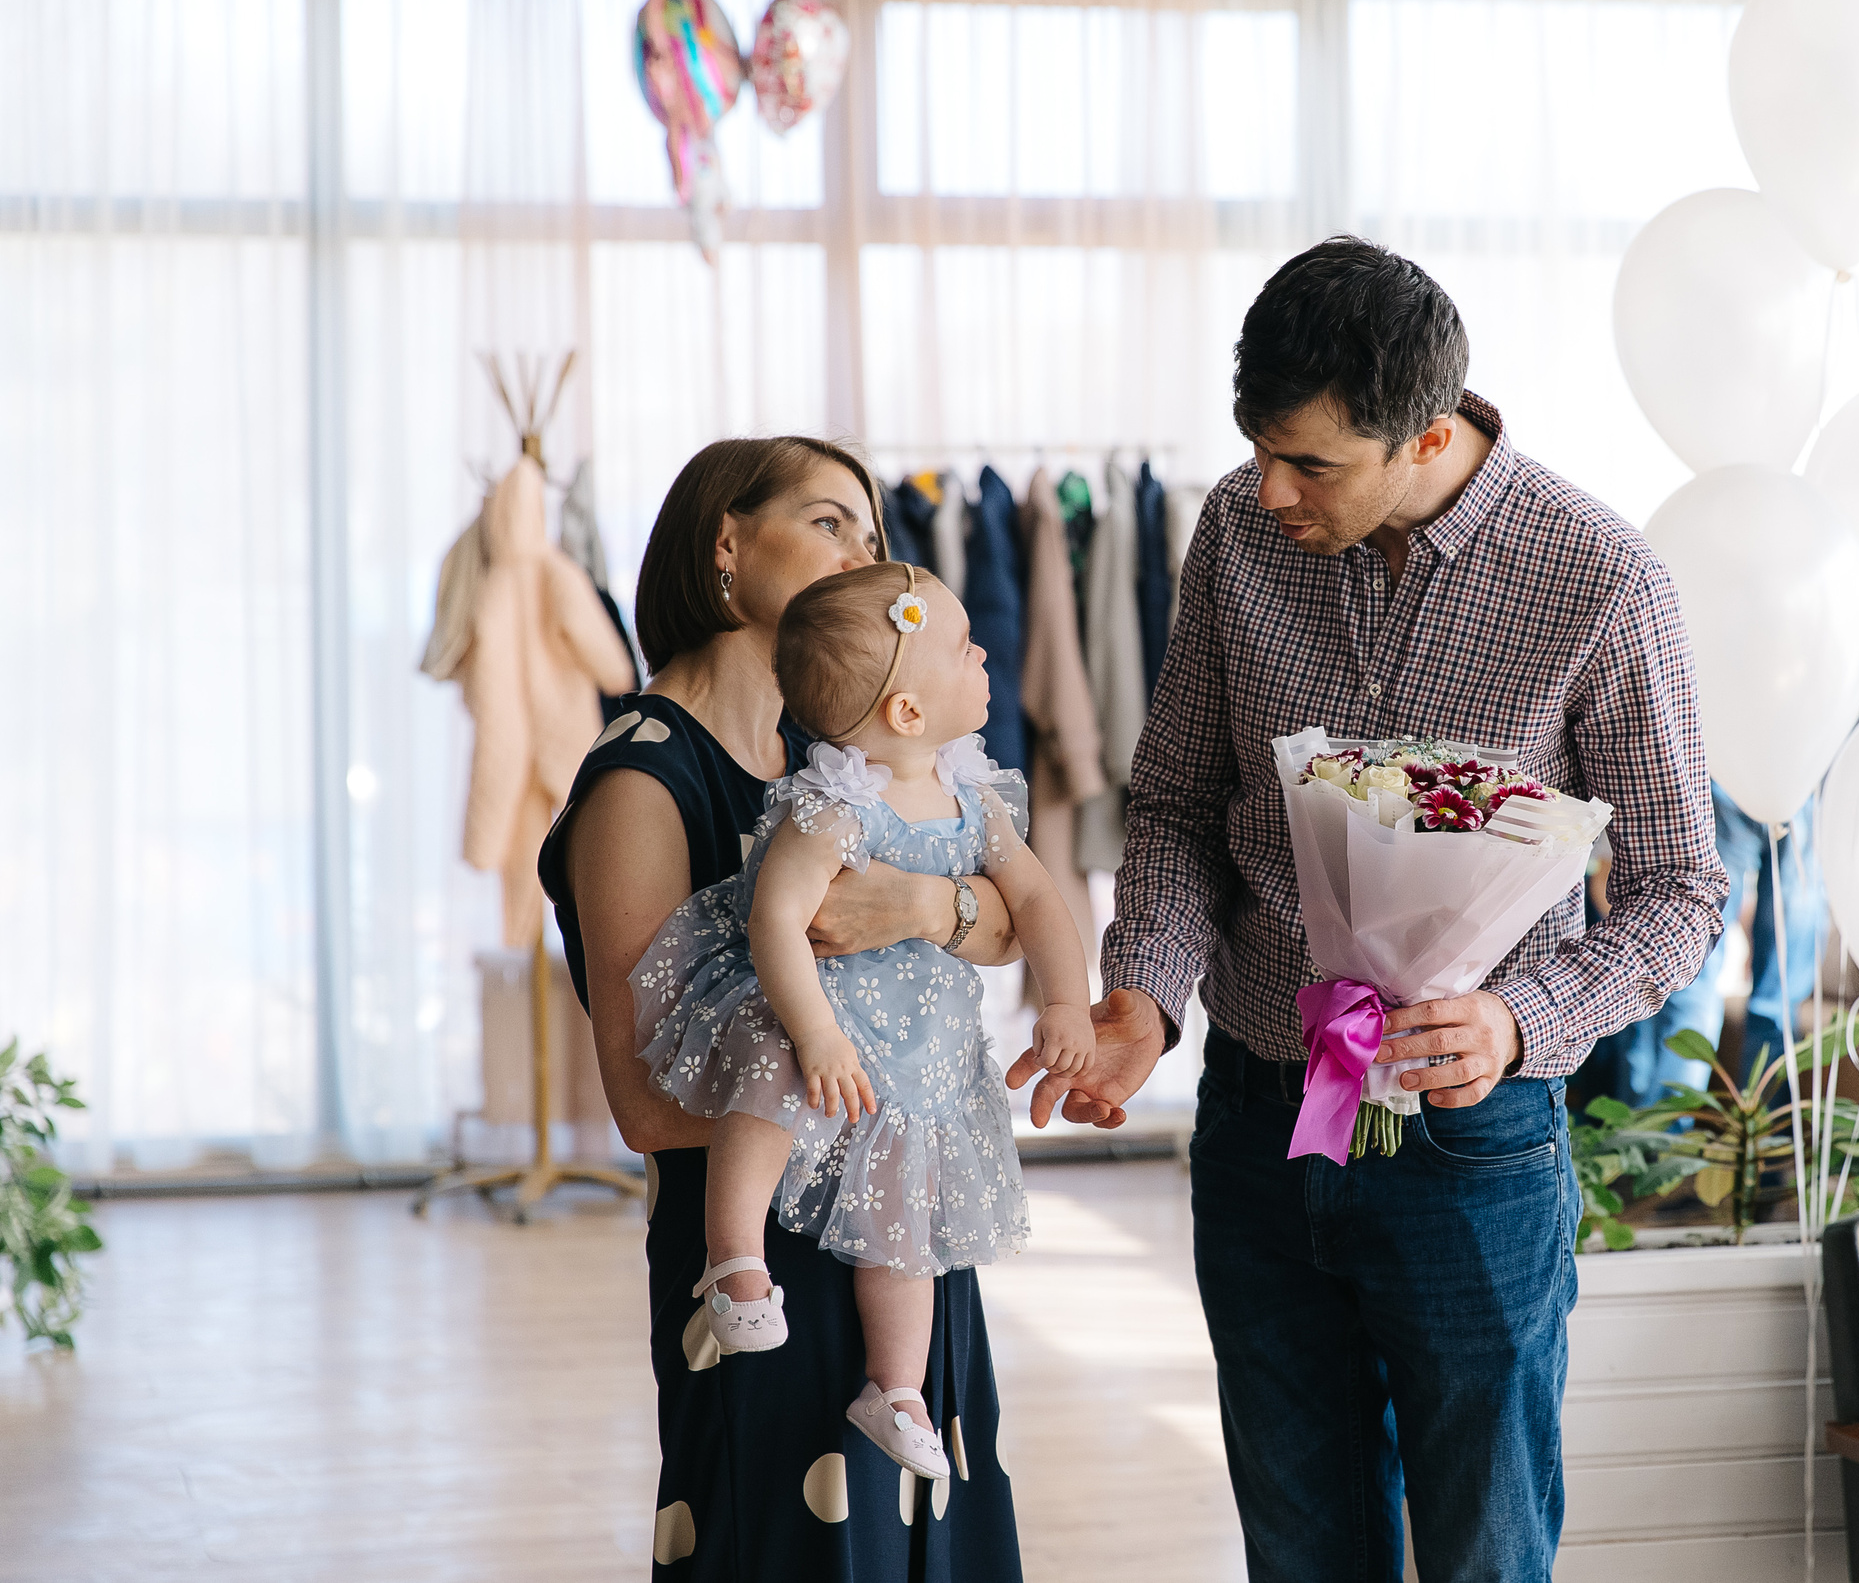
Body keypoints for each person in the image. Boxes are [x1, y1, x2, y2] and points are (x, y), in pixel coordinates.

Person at [1011, 237, 1730, 1580]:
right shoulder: (1235, 531)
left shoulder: (1602, 580)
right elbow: (1175, 799)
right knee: (1300, 1550)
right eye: (1261, 448)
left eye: (1314, 464)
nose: (1271, 488)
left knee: (1482, 1549)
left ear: (1428, 435)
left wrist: (1520, 1019)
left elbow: (1687, 888)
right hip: (1256, 1119)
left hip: (1473, 1142)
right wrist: (1145, 995)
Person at [540, 437, 1027, 1580]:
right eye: (828, 522)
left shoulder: (855, 751)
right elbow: (647, 1104)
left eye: (871, 531)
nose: (866, 553)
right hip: (770, 1264)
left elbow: (1010, 919)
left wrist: (918, 904)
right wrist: (889, 1099)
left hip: (906, 1235)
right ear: (725, 545)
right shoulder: (642, 778)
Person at [631, 562, 1095, 1480]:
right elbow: (776, 916)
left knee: (907, 1224)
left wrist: (1066, 1000)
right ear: (909, 715)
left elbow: (1038, 900)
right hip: (823, 1020)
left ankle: (897, 1388)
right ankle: (735, 1261)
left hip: (921, 1058)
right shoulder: (833, 804)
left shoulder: (978, 792)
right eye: (963, 647)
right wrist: (815, 1031)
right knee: (766, 1083)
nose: (986, 652)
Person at [1604, 778, 1827, 1104]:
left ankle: (1661, 1139)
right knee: (1768, 994)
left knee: (1696, 980)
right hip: (1795, 784)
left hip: (1741, 778)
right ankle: (1759, 1143)